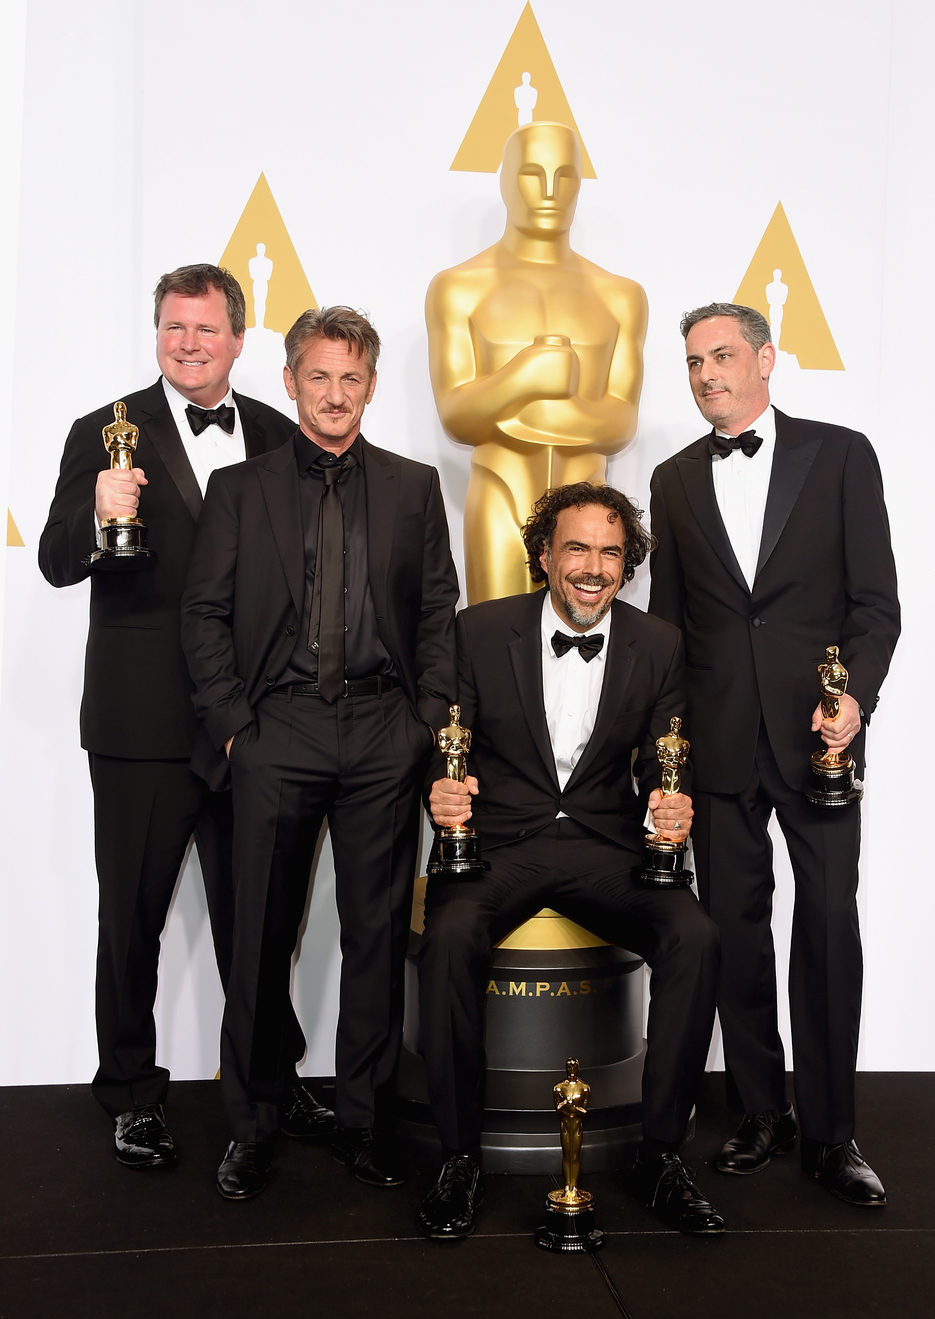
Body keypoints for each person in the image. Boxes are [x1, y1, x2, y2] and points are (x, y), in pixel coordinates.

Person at [38, 264, 327, 1171]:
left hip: (254, 722)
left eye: (206, 330)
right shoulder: (104, 431)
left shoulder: (283, 436)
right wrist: (96, 513)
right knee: (132, 919)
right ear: (156, 333)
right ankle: (128, 1090)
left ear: (241, 340)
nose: (188, 344)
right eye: (173, 327)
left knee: (265, 918)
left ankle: (271, 1081)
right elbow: (52, 561)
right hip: (141, 726)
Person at [181, 306, 459, 1200]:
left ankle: (365, 1123)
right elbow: (204, 616)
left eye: (352, 378)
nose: (335, 395)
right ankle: (254, 1123)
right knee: (261, 936)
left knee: (377, 937)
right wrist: (235, 727)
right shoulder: (240, 488)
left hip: (385, 731)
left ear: (371, 386)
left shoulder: (416, 488)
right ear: (291, 381)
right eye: (319, 377)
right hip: (279, 731)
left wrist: (423, 724)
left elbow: (435, 619)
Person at [415, 482, 722, 1240]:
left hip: (604, 847)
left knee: (697, 937)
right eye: (577, 548)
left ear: (629, 565)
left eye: (611, 552)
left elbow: (662, 759)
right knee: (450, 939)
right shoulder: (479, 632)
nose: (593, 567)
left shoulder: (658, 645)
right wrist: (445, 795)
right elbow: (447, 741)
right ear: (544, 556)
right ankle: (458, 1158)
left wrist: (669, 801)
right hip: (502, 843)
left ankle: (660, 1152)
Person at [648, 302, 900, 1206]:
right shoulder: (673, 478)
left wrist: (855, 699)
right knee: (734, 935)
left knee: (829, 926)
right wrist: (667, 753)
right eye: (692, 362)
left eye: (722, 356)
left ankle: (834, 1133)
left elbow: (876, 603)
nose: (707, 373)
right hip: (718, 743)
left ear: (766, 360)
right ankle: (763, 1110)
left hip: (817, 737)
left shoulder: (840, 455)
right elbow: (671, 632)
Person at [425, 121, 647, 603]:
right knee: (494, 656)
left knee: (587, 661)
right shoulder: (459, 287)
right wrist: (523, 377)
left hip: (590, 510)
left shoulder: (621, 297)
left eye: (565, 176)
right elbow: (457, 416)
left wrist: (515, 411)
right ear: (504, 180)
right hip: (498, 495)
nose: (549, 191)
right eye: (531, 174)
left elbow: (621, 424)